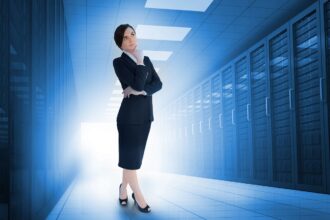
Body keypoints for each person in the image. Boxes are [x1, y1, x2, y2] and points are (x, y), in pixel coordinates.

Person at [113, 24, 162, 213]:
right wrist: (140, 62)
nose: (131, 39)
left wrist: (139, 90)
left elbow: (158, 84)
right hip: (128, 118)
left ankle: (123, 188)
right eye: (125, 38)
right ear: (120, 44)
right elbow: (138, 82)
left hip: (146, 116)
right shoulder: (119, 62)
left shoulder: (148, 60)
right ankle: (139, 197)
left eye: (132, 34)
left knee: (132, 159)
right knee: (131, 160)